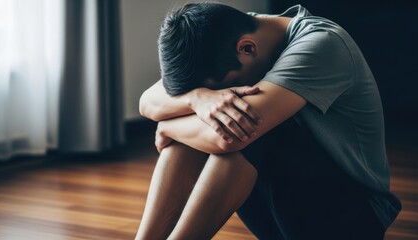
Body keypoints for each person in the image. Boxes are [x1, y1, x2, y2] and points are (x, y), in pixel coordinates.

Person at [136, 3, 401, 240]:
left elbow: (231, 137)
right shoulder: (229, 37)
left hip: (354, 217)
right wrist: (197, 99)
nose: (222, 98)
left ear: (247, 48)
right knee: (212, 120)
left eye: (225, 88)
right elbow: (147, 102)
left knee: (246, 124)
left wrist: (168, 126)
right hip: (284, 207)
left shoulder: (323, 45)